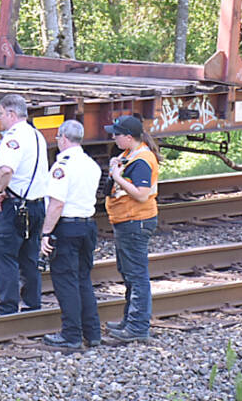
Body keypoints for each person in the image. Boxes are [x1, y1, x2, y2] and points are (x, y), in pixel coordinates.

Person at [38, 120, 103, 349]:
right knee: (83, 279)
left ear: (64, 138)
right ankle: (93, 332)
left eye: (57, 138)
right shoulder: (91, 165)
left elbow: (56, 204)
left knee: (66, 281)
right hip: (87, 226)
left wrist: (46, 233)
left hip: (66, 227)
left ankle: (71, 334)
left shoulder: (62, 166)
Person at [0, 93, 49, 315]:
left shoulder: (12, 138)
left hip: (16, 206)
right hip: (36, 205)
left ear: (12, 114)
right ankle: (33, 303)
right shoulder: (36, 135)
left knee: (6, 256)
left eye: (1, 114)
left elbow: (6, 170)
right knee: (30, 256)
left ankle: (7, 307)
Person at [104, 114, 160, 341]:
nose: (113, 138)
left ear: (129, 137)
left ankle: (137, 327)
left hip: (135, 220)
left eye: (117, 134)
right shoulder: (130, 154)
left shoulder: (142, 160)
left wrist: (117, 177)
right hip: (127, 220)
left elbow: (141, 193)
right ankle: (130, 321)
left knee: (136, 275)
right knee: (129, 272)